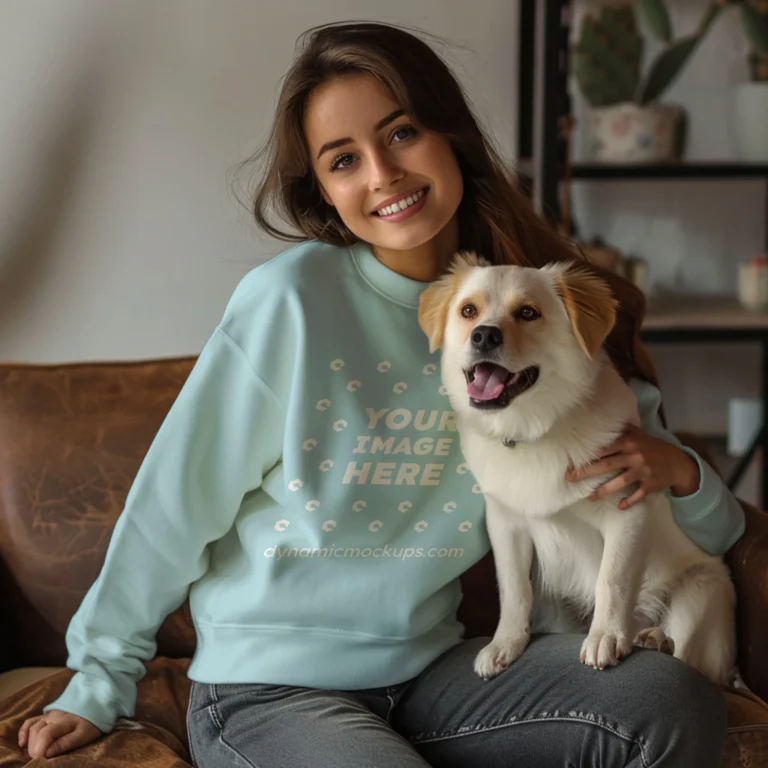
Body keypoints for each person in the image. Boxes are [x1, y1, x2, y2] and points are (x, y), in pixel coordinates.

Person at [19, 21, 744, 767]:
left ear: (450, 134)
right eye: (343, 160)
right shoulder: (291, 302)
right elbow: (173, 504)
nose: (382, 174)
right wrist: (97, 680)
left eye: (401, 133)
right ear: (327, 194)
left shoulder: (534, 306)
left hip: (433, 675)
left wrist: (683, 476)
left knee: (664, 702)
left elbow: (689, 521)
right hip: (269, 691)